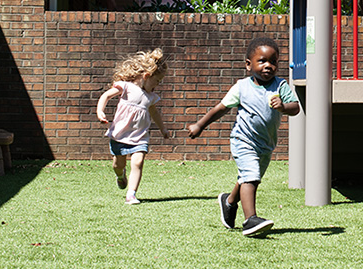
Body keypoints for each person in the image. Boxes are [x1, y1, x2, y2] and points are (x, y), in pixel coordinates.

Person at [188, 37, 300, 237]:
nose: (268, 66)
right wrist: (200, 125)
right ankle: (250, 220)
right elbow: (220, 109)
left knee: (248, 178)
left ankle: (229, 202)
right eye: (262, 61)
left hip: (266, 144)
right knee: (251, 176)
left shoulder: (280, 86)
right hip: (243, 140)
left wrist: (283, 107)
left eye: (273, 62)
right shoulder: (242, 87)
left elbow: (295, 108)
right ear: (248, 65)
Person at [97, 48, 171, 204]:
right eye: (157, 81)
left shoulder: (150, 97)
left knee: (137, 162)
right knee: (118, 164)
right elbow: (106, 95)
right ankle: (120, 175)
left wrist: (163, 129)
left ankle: (131, 194)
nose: (157, 85)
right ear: (146, 76)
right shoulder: (126, 87)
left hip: (140, 137)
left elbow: (155, 114)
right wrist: (100, 111)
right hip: (120, 134)